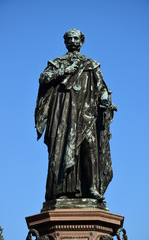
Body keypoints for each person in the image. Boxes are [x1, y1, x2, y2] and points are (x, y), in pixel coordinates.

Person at [35, 29, 115, 206]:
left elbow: (101, 88)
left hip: (86, 114)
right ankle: (59, 190)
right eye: (69, 38)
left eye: (75, 38)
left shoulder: (91, 64)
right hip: (63, 113)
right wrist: (65, 70)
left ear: (82, 41)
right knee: (63, 150)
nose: (72, 41)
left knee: (90, 147)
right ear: (65, 42)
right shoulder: (57, 63)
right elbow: (43, 78)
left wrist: (104, 99)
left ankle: (91, 188)